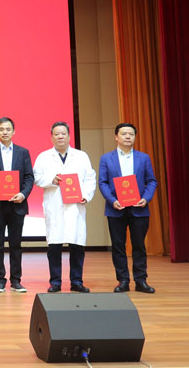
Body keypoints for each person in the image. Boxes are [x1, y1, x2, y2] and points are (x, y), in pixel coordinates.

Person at [33, 121, 96, 293]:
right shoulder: (44, 157)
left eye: (63, 133)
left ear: (69, 136)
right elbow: (36, 177)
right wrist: (51, 180)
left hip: (75, 206)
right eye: (56, 134)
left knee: (77, 246)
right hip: (55, 206)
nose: (60, 136)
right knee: (54, 246)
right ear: (51, 137)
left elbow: (90, 178)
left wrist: (85, 195)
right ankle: (55, 282)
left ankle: (77, 281)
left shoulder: (81, 156)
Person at [98, 123, 157, 293]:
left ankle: (141, 281)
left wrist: (146, 198)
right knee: (118, 246)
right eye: (124, 133)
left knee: (139, 246)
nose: (128, 136)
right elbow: (102, 183)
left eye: (131, 134)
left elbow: (151, 181)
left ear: (135, 137)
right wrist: (112, 200)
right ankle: (123, 280)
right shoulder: (106, 158)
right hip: (116, 208)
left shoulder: (143, 158)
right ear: (116, 137)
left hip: (139, 208)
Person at [0, 117, 35, 293]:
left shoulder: (23, 152)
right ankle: (0, 280)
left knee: (16, 244)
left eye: (8, 129)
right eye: (1, 129)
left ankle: (16, 280)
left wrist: (23, 194)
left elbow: (29, 177)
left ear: (14, 131)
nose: (5, 132)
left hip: (17, 204)